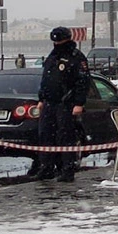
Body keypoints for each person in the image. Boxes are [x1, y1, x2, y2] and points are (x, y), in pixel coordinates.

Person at [35, 26, 90, 182]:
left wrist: (79, 103)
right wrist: (41, 99)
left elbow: (83, 81)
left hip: (67, 103)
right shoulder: (52, 56)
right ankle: (46, 167)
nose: (57, 43)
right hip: (49, 103)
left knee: (66, 137)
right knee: (46, 136)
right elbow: (46, 80)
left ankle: (67, 169)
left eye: (59, 40)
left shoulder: (76, 57)